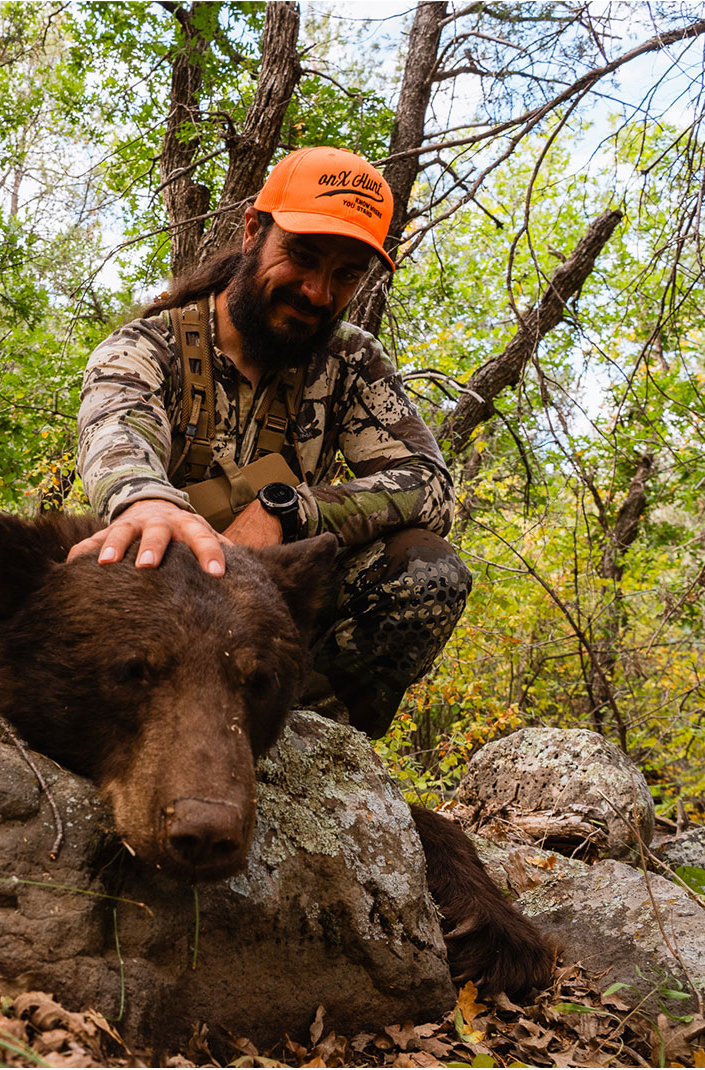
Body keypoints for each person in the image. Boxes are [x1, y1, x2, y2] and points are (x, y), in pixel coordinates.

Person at [69, 146, 468, 737]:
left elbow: (429, 486)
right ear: (255, 228)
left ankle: (307, 745)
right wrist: (145, 501)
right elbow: (115, 430)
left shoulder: (351, 361)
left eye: (345, 274)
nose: (317, 291)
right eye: (302, 257)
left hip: (272, 617)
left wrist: (289, 508)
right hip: (156, 601)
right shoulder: (147, 347)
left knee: (430, 570)